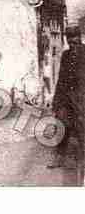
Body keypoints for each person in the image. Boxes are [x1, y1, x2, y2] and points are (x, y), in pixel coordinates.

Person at [47, 26, 85, 186]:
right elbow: (61, 78)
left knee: (82, 127)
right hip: (66, 98)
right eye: (69, 39)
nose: (72, 41)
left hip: (81, 98)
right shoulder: (66, 54)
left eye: (74, 38)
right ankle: (59, 156)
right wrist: (56, 101)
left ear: (79, 37)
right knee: (61, 125)